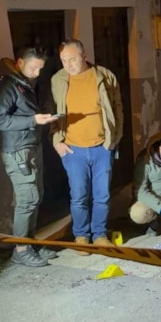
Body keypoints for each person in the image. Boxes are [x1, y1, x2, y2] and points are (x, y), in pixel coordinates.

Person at [0, 47, 60, 267]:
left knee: (36, 196)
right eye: (34, 68)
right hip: (17, 150)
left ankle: (30, 243)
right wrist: (33, 120)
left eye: (40, 69)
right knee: (27, 200)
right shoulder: (6, 84)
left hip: (30, 146)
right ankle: (21, 250)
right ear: (20, 62)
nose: (37, 73)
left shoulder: (22, 81)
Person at [51, 38, 123, 254]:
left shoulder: (104, 76)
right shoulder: (58, 80)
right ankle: (81, 236)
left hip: (102, 147)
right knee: (79, 196)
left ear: (84, 56)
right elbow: (53, 111)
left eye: (72, 59)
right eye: (64, 60)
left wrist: (114, 139)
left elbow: (117, 107)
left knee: (102, 195)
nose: (68, 65)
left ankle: (99, 234)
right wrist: (56, 141)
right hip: (73, 149)